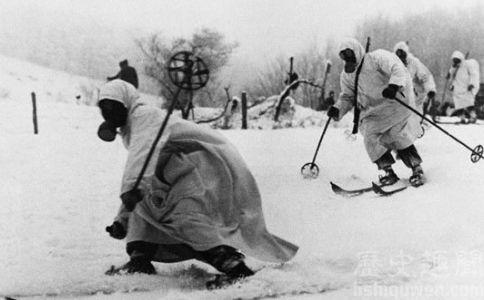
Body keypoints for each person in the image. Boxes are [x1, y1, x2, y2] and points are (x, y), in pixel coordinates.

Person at [97, 80, 298, 288]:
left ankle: (236, 269)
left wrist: (131, 190)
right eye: (104, 109)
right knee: (144, 208)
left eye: (113, 107)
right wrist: (122, 218)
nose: (109, 114)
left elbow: (141, 157)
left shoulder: (143, 116)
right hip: (174, 170)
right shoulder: (131, 127)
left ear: (126, 103)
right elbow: (142, 171)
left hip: (202, 163)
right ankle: (140, 259)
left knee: (188, 217)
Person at [327, 38, 425, 187]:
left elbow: (397, 68)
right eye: (344, 55)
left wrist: (394, 86)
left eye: (349, 53)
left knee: (396, 136)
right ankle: (388, 172)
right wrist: (338, 109)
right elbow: (348, 96)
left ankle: (417, 168)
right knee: (370, 138)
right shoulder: (347, 75)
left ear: (357, 50)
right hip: (373, 112)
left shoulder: (376, 58)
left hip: (395, 104)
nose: (348, 58)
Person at [393, 41, 436, 117]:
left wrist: (430, 89)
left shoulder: (414, 62)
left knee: (414, 116)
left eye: (403, 55)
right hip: (401, 95)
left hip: (416, 94)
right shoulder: (393, 63)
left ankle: (418, 125)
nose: (401, 59)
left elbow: (425, 76)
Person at [448, 51, 480, 123]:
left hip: (466, 87)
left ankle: (473, 117)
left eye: (457, 59)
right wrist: (451, 85)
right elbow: (452, 77)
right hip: (457, 89)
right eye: (454, 59)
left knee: (469, 103)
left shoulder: (467, 65)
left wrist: (472, 84)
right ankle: (462, 118)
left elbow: (473, 74)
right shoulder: (454, 67)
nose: (456, 61)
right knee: (459, 105)